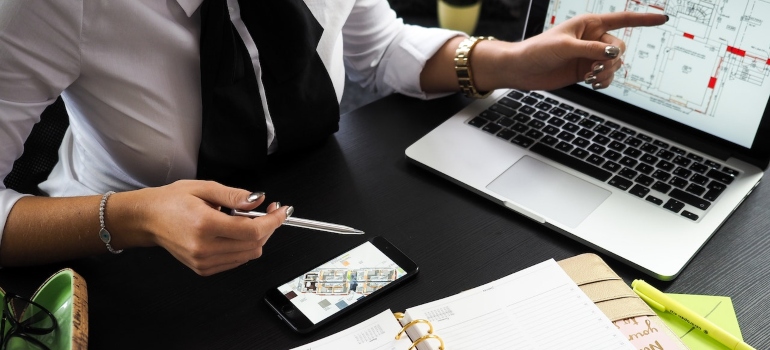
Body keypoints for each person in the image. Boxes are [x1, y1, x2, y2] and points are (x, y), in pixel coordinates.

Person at [0, 0, 666, 276]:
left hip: (317, 198)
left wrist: (506, 62)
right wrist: (137, 216)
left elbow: (378, 52)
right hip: (126, 256)